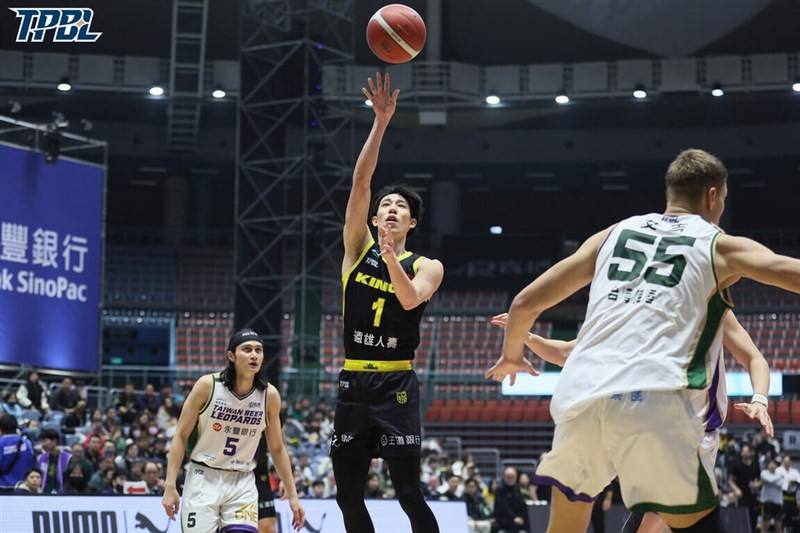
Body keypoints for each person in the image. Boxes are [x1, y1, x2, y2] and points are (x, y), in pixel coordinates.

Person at [487, 148, 800, 531]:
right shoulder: (717, 244)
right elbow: (789, 272)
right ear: (713, 196)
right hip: (656, 400)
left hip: (581, 398)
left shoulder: (612, 234)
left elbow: (524, 303)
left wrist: (513, 354)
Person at [491, 305, 773, 533]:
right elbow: (567, 353)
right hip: (642, 433)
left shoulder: (711, 304)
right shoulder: (629, 311)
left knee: (650, 525)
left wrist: (760, 398)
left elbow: (754, 358)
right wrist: (527, 338)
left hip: (692, 440)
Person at [333, 71, 444, 533]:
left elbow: (409, 298)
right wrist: (380, 122)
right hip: (354, 382)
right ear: (375, 216)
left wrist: (391, 256)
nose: (391, 208)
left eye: (401, 206)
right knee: (347, 496)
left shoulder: (427, 265)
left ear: (411, 222)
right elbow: (361, 182)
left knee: (409, 493)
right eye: (386, 205)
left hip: (396, 383)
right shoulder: (357, 249)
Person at [162, 329, 304, 532]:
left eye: (258, 350)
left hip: (242, 481)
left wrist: (293, 495)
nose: (254, 355)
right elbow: (180, 435)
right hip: (204, 477)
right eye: (247, 349)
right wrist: (170, 485)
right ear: (231, 356)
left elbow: (277, 448)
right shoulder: (208, 386)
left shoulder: (269, 395)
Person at [0, 414, 35, 492]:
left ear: (1, 428)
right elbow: (32, 463)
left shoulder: (1, 443)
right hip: (23, 487)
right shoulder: (27, 443)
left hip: (3, 487)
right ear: (16, 427)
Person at [493, 467, 530, 533]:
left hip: (517, 517)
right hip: (504, 518)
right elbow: (503, 507)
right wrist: (514, 517)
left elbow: (522, 505)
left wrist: (522, 517)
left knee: (529, 521)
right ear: (504, 477)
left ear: (516, 477)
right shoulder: (499, 490)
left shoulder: (518, 489)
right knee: (513, 525)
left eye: (512, 477)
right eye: (508, 477)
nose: (510, 479)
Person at [37, 428, 71, 494]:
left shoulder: (68, 458)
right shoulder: (40, 458)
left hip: (62, 494)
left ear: (54, 441)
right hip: (45, 493)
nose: (42, 445)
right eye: (41, 442)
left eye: (44, 441)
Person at [777, 455, 800, 530]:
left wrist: (791, 482)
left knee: (795, 520)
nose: (787, 463)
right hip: (782, 499)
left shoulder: (795, 471)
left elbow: (798, 481)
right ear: (782, 462)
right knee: (783, 520)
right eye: (785, 461)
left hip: (793, 499)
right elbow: (780, 483)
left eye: (788, 461)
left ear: (791, 462)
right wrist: (789, 483)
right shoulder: (778, 471)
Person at [761, 458, 784, 533]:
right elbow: (770, 480)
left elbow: (780, 484)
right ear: (768, 465)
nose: (772, 466)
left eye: (774, 464)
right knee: (764, 529)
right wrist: (778, 477)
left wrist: (772, 480)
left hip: (778, 504)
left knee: (778, 529)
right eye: (771, 464)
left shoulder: (779, 474)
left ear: (776, 466)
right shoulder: (764, 473)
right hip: (767, 503)